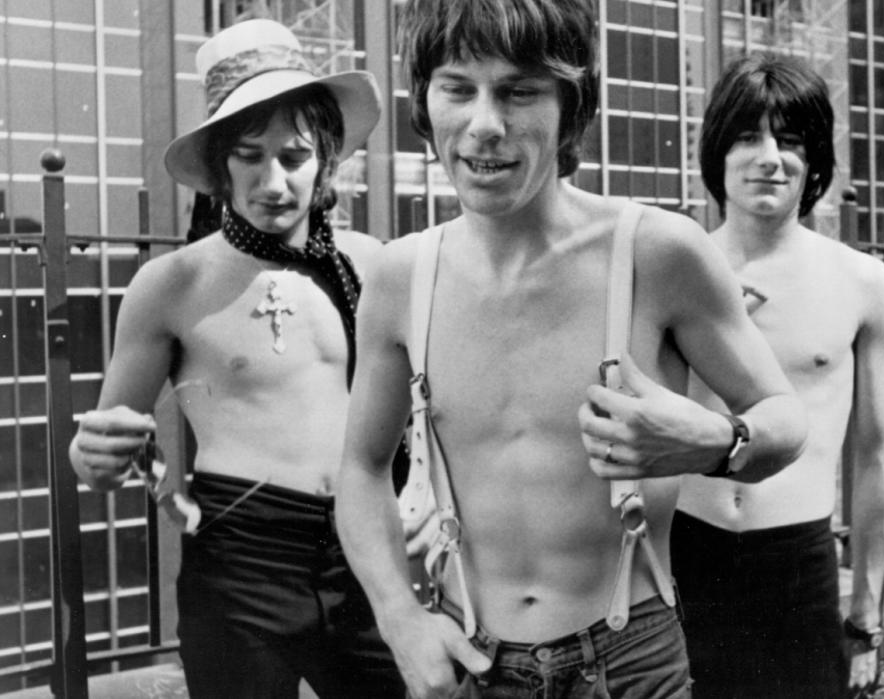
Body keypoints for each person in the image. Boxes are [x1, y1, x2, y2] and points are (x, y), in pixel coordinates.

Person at [334, 1, 808, 697]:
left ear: (572, 107)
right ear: (424, 101)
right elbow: (360, 466)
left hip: (631, 661)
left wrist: (716, 439)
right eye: (459, 88)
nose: (485, 124)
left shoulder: (655, 252)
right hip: (473, 661)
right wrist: (400, 618)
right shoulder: (401, 277)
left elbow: (785, 418)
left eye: (520, 90)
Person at [67, 18, 405, 698]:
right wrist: (99, 454)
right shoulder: (173, 284)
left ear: (326, 158)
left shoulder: (370, 265)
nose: (273, 180)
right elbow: (106, 448)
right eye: (249, 155)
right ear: (221, 163)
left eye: (293, 155)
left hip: (367, 552)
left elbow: (423, 409)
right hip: (242, 560)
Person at [671, 53, 884, 698]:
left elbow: (878, 454)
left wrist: (868, 612)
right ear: (718, 150)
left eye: (790, 140)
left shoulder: (861, 282)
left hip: (797, 556)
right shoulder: (669, 269)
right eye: (748, 136)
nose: (769, 157)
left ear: (815, 161)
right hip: (684, 550)